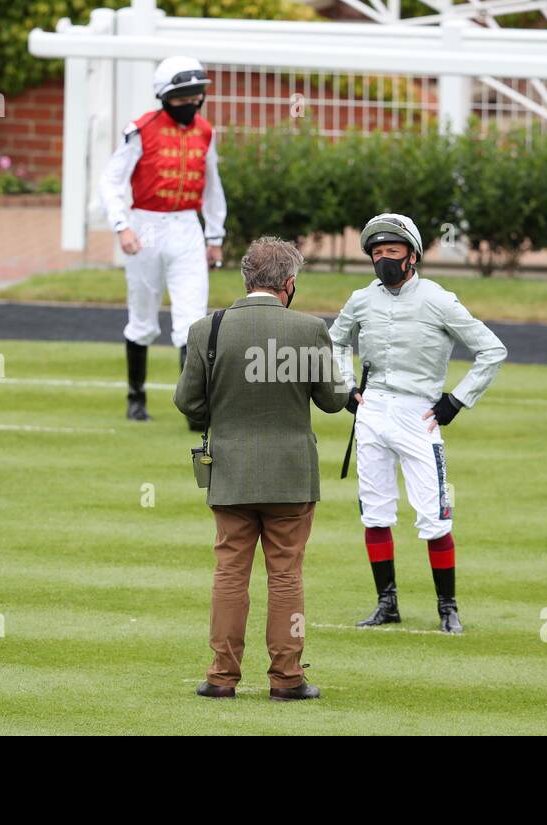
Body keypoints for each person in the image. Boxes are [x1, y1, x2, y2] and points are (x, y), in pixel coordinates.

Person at [173, 236, 348, 701]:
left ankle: (221, 676)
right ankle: (287, 678)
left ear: (247, 278)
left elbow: (188, 402)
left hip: (230, 471)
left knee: (230, 572)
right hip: (291, 475)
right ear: (288, 284)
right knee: (286, 575)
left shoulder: (207, 329)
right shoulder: (309, 329)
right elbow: (333, 401)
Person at [329, 214, 507, 635]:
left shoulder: (438, 299)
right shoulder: (360, 299)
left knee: (434, 516)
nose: (384, 260)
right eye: (377, 253)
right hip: (371, 412)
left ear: (413, 255)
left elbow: (492, 350)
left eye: (392, 252)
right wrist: (345, 387)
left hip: (419, 415)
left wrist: (457, 400)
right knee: (375, 514)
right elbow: (334, 340)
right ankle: (386, 603)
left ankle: (448, 607)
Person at [100, 55, 227, 424]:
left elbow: (213, 189)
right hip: (147, 225)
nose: (190, 105)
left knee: (192, 321)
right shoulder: (140, 129)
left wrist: (215, 235)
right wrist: (122, 225)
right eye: (182, 98)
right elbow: (111, 180)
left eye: (195, 97)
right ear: (164, 97)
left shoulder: (206, 131)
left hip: (187, 225)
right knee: (142, 317)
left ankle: (194, 409)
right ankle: (135, 397)